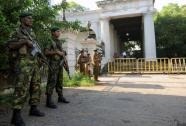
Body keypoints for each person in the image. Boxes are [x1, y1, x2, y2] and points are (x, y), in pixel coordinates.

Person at [7, 12, 45, 126]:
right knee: (21, 88)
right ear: (22, 19)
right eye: (29, 18)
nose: (31, 20)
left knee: (36, 86)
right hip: (22, 64)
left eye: (31, 18)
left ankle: (33, 108)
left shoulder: (32, 33)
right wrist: (23, 41)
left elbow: (34, 47)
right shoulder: (16, 31)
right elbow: (9, 45)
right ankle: (16, 115)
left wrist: (40, 57)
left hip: (33, 64)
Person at [44, 27, 69, 109]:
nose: (59, 33)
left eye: (59, 31)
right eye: (57, 31)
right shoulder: (49, 41)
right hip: (53, 65)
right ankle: (48, 100)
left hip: (59, 64)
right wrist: (56, 52)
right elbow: (46, 52)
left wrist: (63, 54)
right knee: (52, 81)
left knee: (60, 81)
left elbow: (61, 53)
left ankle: (60, 97)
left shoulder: (58, 42)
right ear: (53, 32)